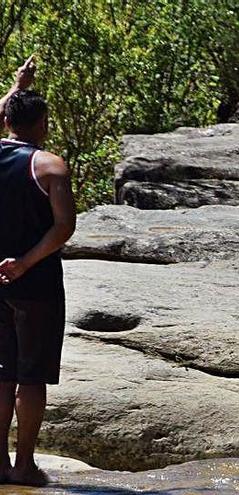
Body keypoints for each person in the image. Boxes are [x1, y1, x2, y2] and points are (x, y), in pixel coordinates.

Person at [0, 56, 76, 486]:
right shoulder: (50, 167)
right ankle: (24, 464)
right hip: (36, 283)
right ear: (44, 123)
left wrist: (15, 85)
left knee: (0, 372)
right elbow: (64, 226)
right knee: (30, 377)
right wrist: (27, 262)